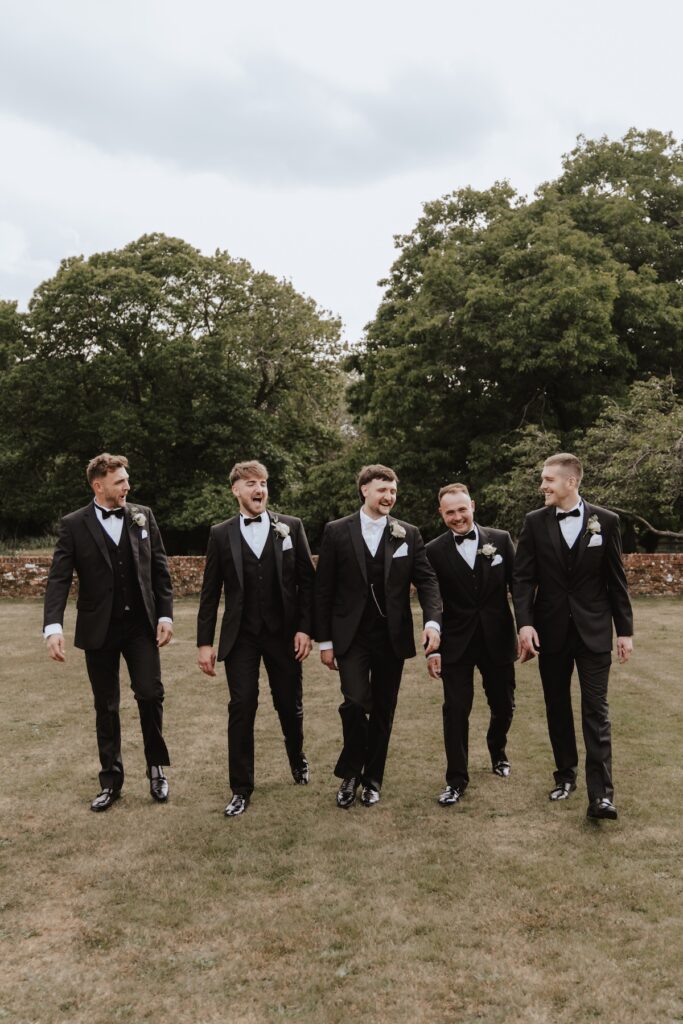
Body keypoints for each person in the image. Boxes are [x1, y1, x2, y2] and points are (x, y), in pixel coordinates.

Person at [43, 453, 173, 812]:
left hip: (141, 627)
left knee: (150, 695)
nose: (128, 486)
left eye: (127, 480)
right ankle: (111, 780)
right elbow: (58, 579)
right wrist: (53, 627)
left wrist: (166, 616)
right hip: (98, 628)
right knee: (106, 706)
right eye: (120, 482)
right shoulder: (73, 524)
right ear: (98, 485)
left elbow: (160, 570)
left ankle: (156, 768)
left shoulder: (142, 515)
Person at [513, 453, 633, 820]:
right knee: (557, 707)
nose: (543, 486)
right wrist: (525, 623)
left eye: (548, 479)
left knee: (596, 711)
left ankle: (602, 796)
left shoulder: (606, 522)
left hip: (594, 630)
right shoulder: (534, 523)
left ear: (571, 482)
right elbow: (522, 579)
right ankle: (565, 776)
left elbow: (616, 580)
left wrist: (624, 631)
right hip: (550, 632)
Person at [314, 464, 442, 809]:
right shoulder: (336, 531)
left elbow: (427, 581)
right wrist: (324, 642)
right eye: (383, 490)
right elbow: (323, 590)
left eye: (393, 491)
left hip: (391, 636)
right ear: (365, 491)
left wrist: (432, 623)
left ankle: (372, 781)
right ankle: (350, 773)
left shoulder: (408, 534)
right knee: (355, 702)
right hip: (350, 636)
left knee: (384, 709)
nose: (389, 497)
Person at [196, 461, 315, 817]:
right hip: (241, 637)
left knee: (289, 707)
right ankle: (241, 788)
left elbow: (309, 584)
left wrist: (305, 629)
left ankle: (297, 758)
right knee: (242, 706)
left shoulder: (290, 527)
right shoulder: (220, 534)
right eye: (251, 483)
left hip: (283, 635)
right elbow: (209, 592)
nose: (259, 489)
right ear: (235, 490)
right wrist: (204, 642)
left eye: (263, 483)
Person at [425, 484, 518, 806]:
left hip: (499, 638)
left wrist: (527, 628)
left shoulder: (501, 540)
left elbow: (518, 587)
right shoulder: (433, 550)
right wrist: (434, 645)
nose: (457, 517)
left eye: (462, 509)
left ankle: (498, 749)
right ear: (441, 514)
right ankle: (456, 779)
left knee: (504, 705)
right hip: (455, 642)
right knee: (455, 711)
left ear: (473, 506)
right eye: (450, 512)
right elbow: (432, 599)